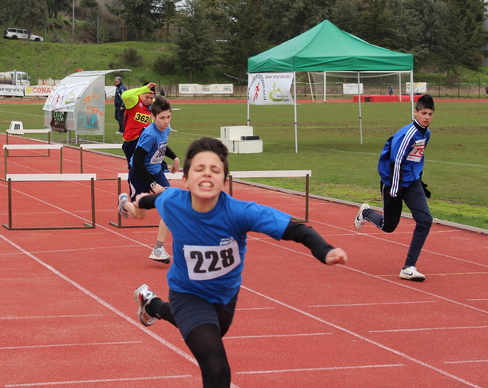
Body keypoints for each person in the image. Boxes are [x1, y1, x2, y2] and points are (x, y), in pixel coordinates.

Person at [120, 137, 347, 388]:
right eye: (199, 168)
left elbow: (296, 230)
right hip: (187, 293)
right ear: (186, 179)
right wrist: (139, 201)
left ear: (224, 181)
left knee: (207, 328)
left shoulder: (240, 212)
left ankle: (151, 305)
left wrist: (324, 250)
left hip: (226, 298)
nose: (207, 173)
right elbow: (153, 200)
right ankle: (155, 305)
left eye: (215, 169)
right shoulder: (174, 201)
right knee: (216, 367)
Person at [354, 94, 435, 282]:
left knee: (425, 220)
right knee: (388, 226)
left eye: (430, 114)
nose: (427, 117)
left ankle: (408, 267)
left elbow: (416, 159)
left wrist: (419, 181)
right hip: (392, 182)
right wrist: (395, 189)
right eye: (423, 113)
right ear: (415, 112)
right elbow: (396, 162)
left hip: (411, 182)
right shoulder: (408, 134)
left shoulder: (426, 134)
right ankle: (365, 213)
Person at [118, 97, 179, 264]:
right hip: (139, 174)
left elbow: (163, 145)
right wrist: (153, 184)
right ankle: (123, 202)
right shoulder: (149, 135)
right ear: (153, 117)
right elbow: (137, 162)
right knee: (139, 215)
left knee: (170, 205)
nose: (166, 121)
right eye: (162, 118)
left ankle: (158, 248)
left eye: (168, 117)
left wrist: (175, 158)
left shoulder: (165, 129)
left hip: (156, 171)